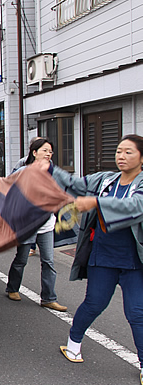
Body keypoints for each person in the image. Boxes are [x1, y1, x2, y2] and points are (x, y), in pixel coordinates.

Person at [46, 135, 143, 383]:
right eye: (119, 151)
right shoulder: (105, 179)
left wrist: (96, 202)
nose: (121, 156)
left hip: (134, 260)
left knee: (136, 312)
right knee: (94, 303)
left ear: (141, 157)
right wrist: (48, 167)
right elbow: (76, 184)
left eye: (128, 152)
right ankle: (73, 343)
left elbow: (135, 207)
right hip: (103, 255)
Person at [5, 138, 67, 312]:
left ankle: (48, 298)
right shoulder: (24, 171)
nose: (48, 154)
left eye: (50, 151)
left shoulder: (54, 172)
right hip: (28, 223)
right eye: (45, 150)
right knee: (21, 259)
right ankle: (12, 288)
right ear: (34, 153)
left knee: (48, 261)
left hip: (47, 223)